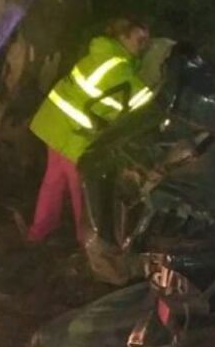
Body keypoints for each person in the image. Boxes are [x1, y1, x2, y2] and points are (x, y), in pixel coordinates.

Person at [25, 18, 154, 245]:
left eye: (147, 39)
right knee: (82, 188)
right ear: (123, 37)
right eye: (139, 39)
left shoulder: (106, 54)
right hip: (73, 131)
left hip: (55, 121)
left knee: (54, 179)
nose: (145, 44)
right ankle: (89, 243)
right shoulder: (116, 65)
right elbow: (143, 100)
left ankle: (39, 232)